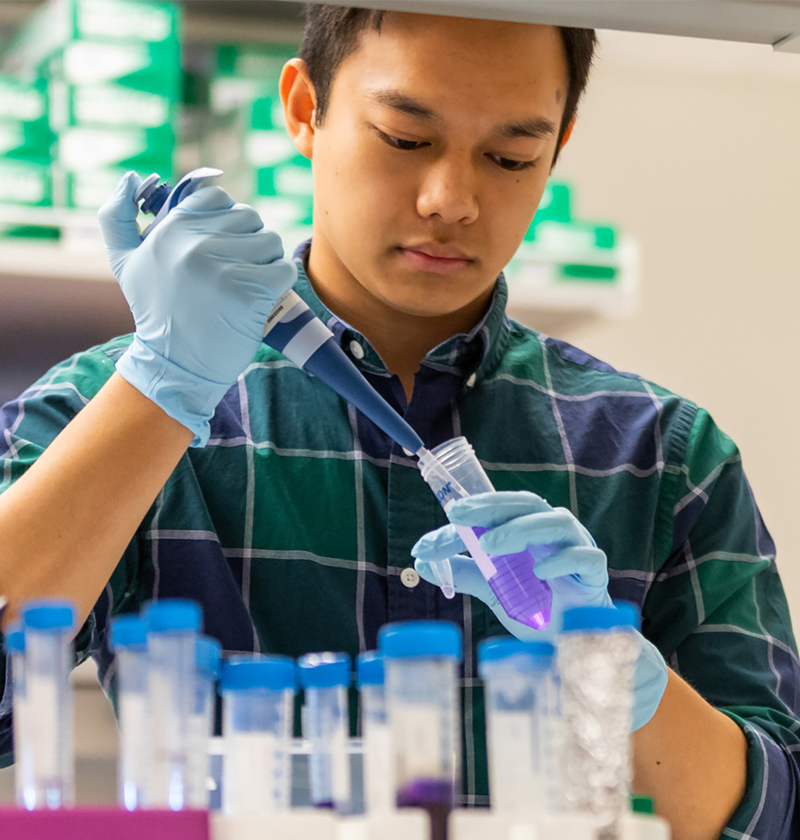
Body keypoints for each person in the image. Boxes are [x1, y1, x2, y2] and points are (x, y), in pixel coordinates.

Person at [0, 6, 797, 838]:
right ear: (305, 108)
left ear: (557, 149)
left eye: (509, 156)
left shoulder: (662, 457)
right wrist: (159, 391)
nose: (450, 199)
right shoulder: (118, 409)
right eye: (405, 139)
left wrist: (621, 682)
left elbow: (775, 811)